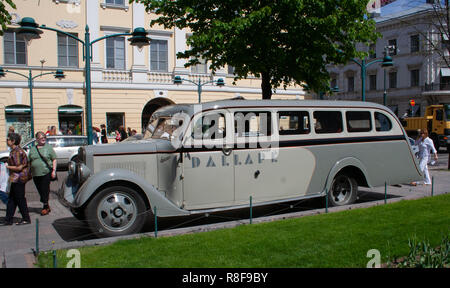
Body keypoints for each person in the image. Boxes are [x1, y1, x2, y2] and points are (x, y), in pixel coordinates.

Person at [2, 133, 31, 225]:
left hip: (18, 178)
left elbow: (19, 167)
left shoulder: (17, 152)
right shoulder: (14, 150)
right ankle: (8, 220)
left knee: (20, 199)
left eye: (8, 139)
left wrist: (7, 167)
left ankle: (26, 218)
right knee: (12, 199)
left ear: (13, 141)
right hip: (15, 178)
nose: (7, 141)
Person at [28, 131, 57, 216]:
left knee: (44, 189)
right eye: (41, 138)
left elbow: (54, 159)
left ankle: (45, 206)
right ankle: (46, 204)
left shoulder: (48, 148)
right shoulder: (33, 149)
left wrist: (54, 170)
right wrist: (29, 171)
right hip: (35, 173)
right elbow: (29, 160)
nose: (43, 139)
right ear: (37, 140)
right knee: (40, 190)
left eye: (44, 137)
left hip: (46, 172)